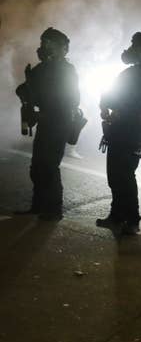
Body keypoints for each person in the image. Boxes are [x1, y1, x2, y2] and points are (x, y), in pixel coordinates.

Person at [96, 32, 141, 235]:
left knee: (125, 176)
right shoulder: (131, 72)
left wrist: (120, 106)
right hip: (118, 128)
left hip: (132, 130)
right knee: (115, 176)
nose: (131, 49)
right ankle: (117, 216)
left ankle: (132, 220)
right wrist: (105, 103)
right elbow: (112, 92)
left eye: (135, 46)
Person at [15, 27, 80, 221]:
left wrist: (47, 109)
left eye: (48, 44)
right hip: (45, 123)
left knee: (49, 166)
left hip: (58, 123)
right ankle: (38, 205)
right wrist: (27, 97)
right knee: (37, 167)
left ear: (62, 48)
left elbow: (72, 99)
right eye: (43, 43)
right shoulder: (44, 67)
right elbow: (24, 89)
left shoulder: (66, 70)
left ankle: (53, 210)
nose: (43, 47)